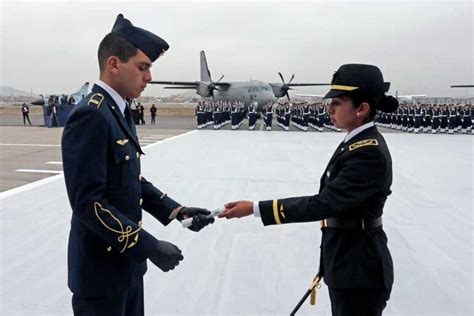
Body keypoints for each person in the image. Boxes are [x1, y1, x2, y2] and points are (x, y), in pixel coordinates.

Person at [61, 14, 214, 316]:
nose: (149, 77)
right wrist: (148, 246)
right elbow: (88, 203)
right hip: (101, 273)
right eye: (143, 67)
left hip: (127, 267)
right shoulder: (91, 115)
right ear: (114, 64)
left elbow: (129, 181)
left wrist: (175, 210)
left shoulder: (119, 111)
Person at [219, 64, 397, 316]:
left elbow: (324, 203)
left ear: (362, 109)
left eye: (337, 102)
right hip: (347, 260)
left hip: (359, 269)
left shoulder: (367, 152)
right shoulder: (355, 142)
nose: (329, 108)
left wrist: (255, 208)